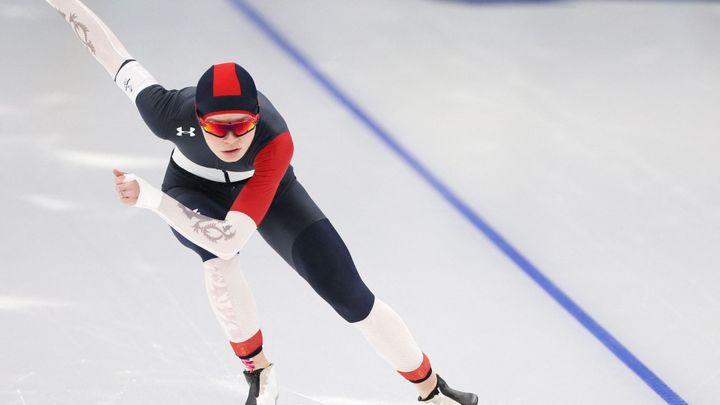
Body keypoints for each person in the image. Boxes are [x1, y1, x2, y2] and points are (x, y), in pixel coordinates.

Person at [45, 1, 478, 404]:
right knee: (217, 258)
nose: (231, 139)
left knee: (348, 291)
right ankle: (258, 368)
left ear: (257, 117)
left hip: (266, 188)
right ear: (198, 119)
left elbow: (232, 234)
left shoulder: (275, 143)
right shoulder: (165, 113)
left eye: (242, 126)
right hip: (192, 186)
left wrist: (149, 200)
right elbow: (109, 51)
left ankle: (430, 389)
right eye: (218, 128)